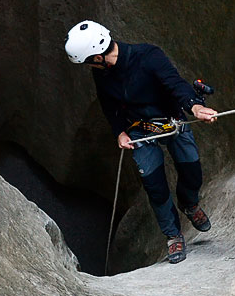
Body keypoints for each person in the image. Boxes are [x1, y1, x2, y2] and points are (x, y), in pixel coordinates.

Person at [65, 20, 217, 264]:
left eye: (88, 61)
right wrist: (119, 132)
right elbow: (110, 106)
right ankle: (173, 235)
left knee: (192, 171)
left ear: (97, 55)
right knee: (154, 185)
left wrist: (195, 107)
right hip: (139, 130)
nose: (88, 66)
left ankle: (189, 204)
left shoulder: (149, 56)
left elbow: (174, 83)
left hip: (172, 120)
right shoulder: (102, 74)